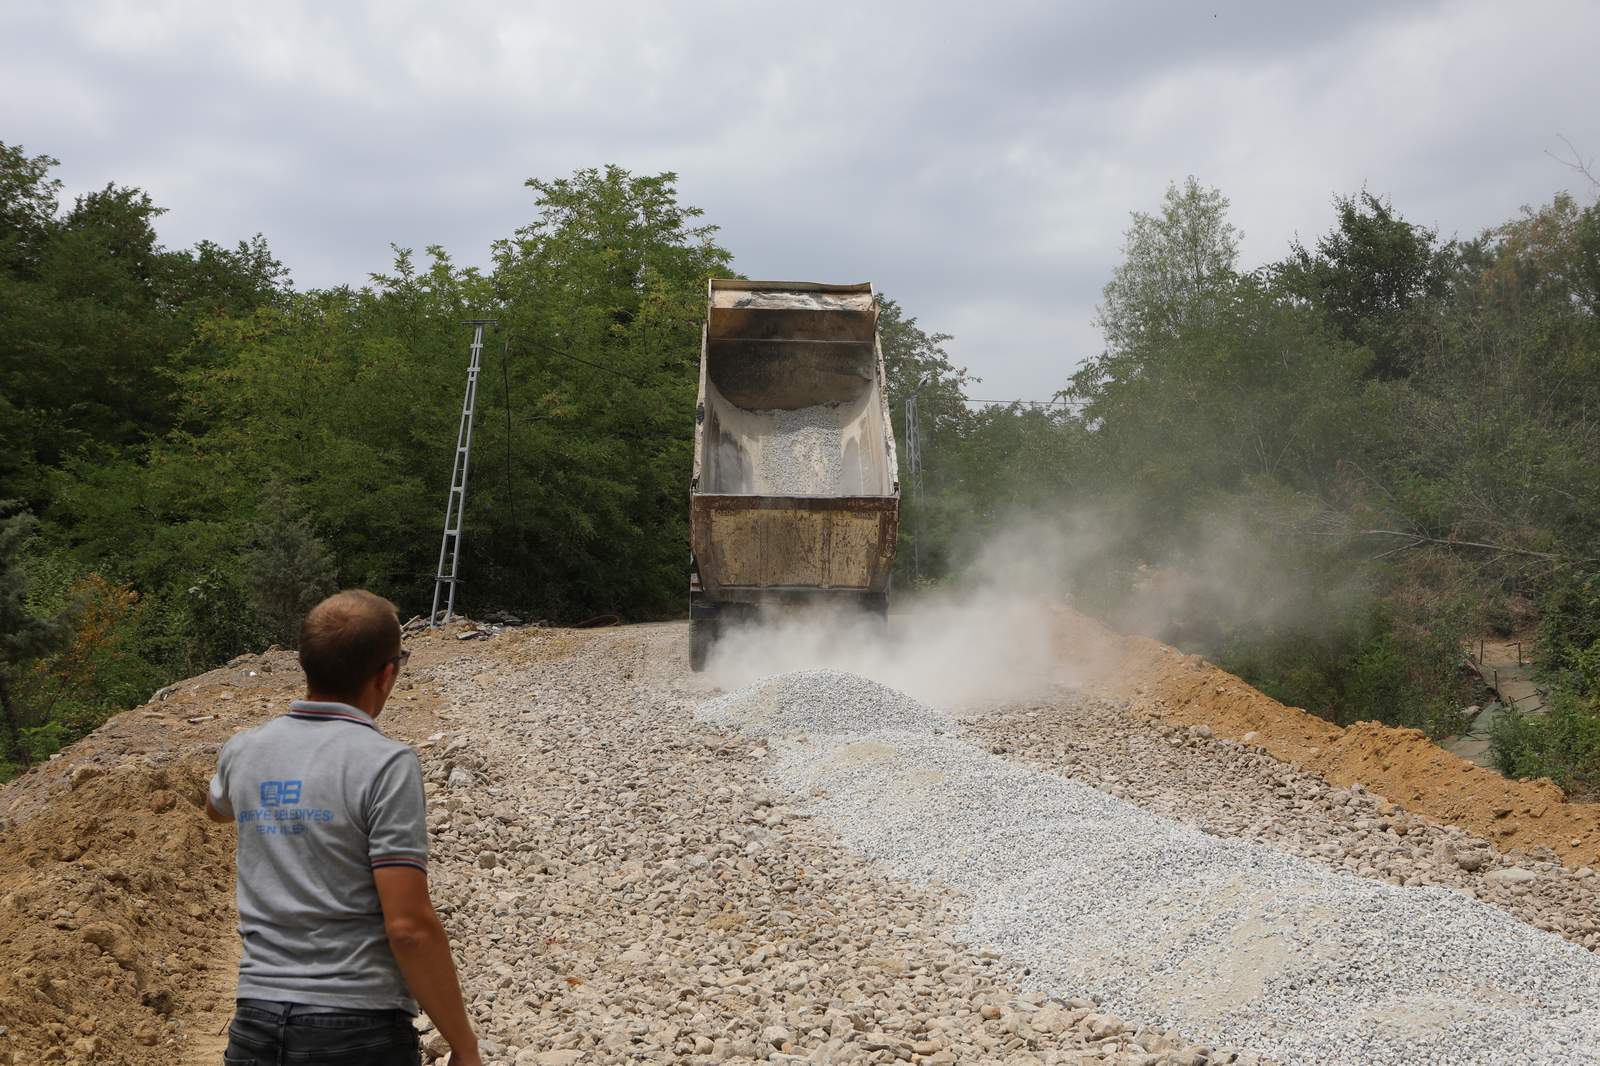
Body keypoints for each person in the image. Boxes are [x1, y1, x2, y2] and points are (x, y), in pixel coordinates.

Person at [205, 589, 481, 1066]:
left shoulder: (243, 751)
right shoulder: (385, 764)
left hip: (256, 1025)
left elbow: (217, 808)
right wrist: (464, 1043)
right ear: (387, 673)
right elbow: (409, 928)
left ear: (304, 664)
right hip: (357, 1029)